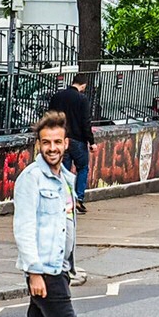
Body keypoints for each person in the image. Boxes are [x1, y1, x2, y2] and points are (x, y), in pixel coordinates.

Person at [10, 112, 126, 317]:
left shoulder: (65, 179)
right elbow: (23, 228)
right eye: (46, 142)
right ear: (38, 144)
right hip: (44, 271)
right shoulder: (30, 180)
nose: (52, 148)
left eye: (57, 142)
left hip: (58, 268)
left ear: (66, 144)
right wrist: (34, 272)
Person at [48, 74, 95, 214]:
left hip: (61, 139)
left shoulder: (57, 97)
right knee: (82, 168)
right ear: (83, 85)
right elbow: (86, 122)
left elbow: (50, 116)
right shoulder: (82, 99)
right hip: (78, 139)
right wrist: (91, 141)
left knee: (65, 171)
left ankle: (65, 200)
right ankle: (79, 199)